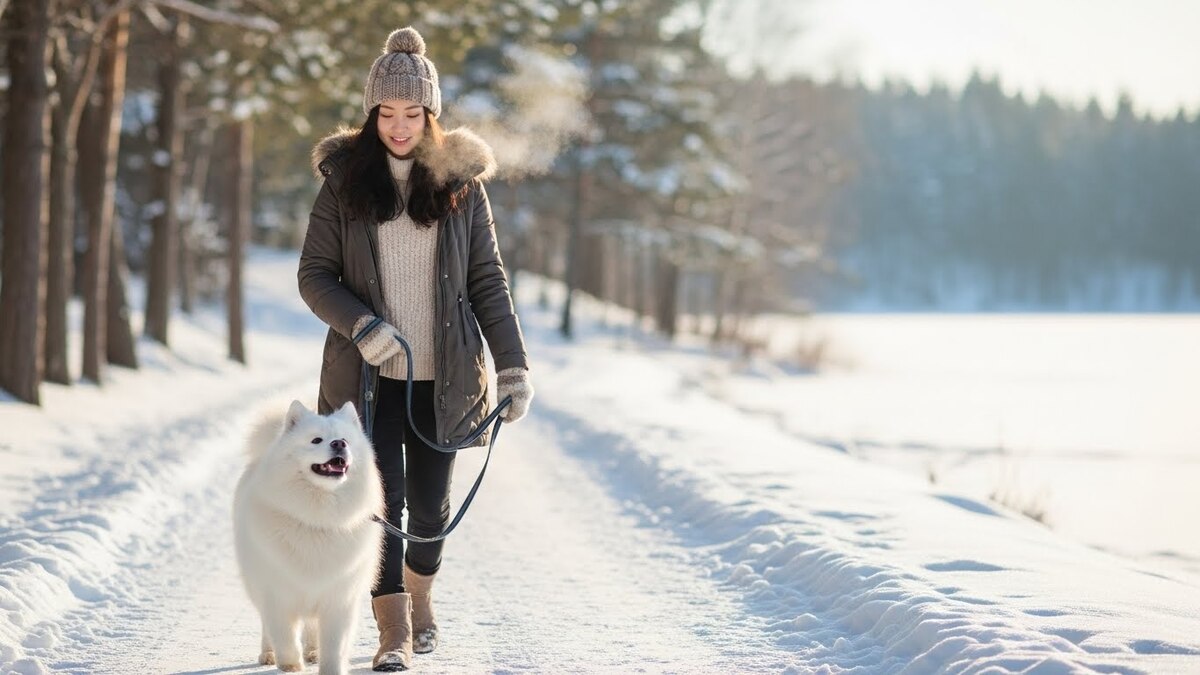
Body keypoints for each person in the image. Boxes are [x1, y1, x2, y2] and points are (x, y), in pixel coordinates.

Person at [298, 25, 533, 672]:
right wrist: (362, 326)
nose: (398, 126)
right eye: (386, 113)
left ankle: (421, 598)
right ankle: (392, 632)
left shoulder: (462, 184)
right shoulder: (343, 184)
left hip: (445, 376)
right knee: (381, 503)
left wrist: (513, 366)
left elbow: (487, 281)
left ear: (431, 114)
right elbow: (314, 276)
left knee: (430, 512)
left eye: (411, 113)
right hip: (366, 379)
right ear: (370, 113)